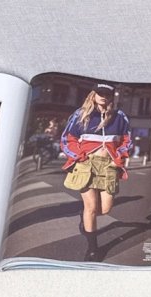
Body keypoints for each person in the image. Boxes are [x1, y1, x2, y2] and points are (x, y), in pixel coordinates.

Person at [59, 83, 132, 261]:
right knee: (91, 208)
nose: (103, 96)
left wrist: (118, 157)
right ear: (93, 94)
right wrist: (80, 156)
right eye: (100, 93)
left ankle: (84, 216)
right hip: (87, 164)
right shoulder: (80, 114)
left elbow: (127, 140)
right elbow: (67, 139)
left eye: (107, 94)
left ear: (112, 96)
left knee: (105, 209)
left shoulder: (119, 116)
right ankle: (93, 249)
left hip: (109, 165)